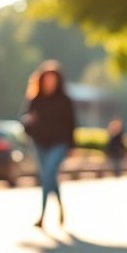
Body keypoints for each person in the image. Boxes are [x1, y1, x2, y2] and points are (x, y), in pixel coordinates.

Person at [21, 61, 77, 228]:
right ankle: (59, 206)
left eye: (53, 79)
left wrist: (72, 146)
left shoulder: (65, 100)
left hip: (59, 144)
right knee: (48, 177)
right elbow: (26, 123)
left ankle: (43, 215)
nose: (50, 83)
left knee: (48, 175)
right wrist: (28, 123)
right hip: (40, 143)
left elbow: (71, 124)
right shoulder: (35, 100)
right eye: (47, 79)